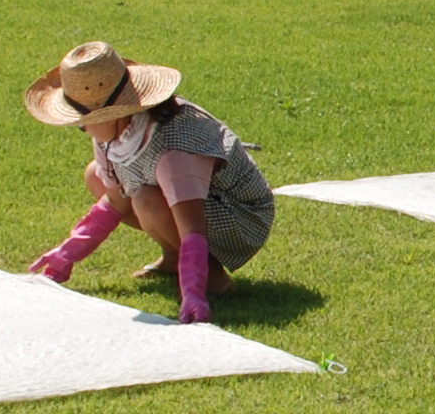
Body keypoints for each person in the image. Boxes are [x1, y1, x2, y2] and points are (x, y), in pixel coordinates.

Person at [23, 41, 275, 325]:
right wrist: (67, 253)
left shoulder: (174, 150)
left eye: (83, 122)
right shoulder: (113, 135)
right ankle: (172, 258)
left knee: (146, 199)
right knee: (97, 175)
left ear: (114, 113)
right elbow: (116, 201)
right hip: (192, 203)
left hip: (239, 215)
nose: (82, 130)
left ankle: (213, 277)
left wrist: (193, 293)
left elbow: (192, 228)